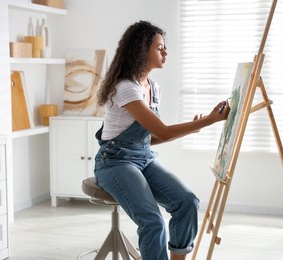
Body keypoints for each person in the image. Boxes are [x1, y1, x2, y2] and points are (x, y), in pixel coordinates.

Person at [94, 20, 230, 260]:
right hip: (115, 162)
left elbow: (152, 138)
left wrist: (193, 127)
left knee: (187, 202)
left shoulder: (153, 87)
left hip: (143, 159)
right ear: (141, 49)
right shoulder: (126, 88)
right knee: (153, 221)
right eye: (159, 47)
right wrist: (207, 121)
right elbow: (164, 131)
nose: (165, 52)